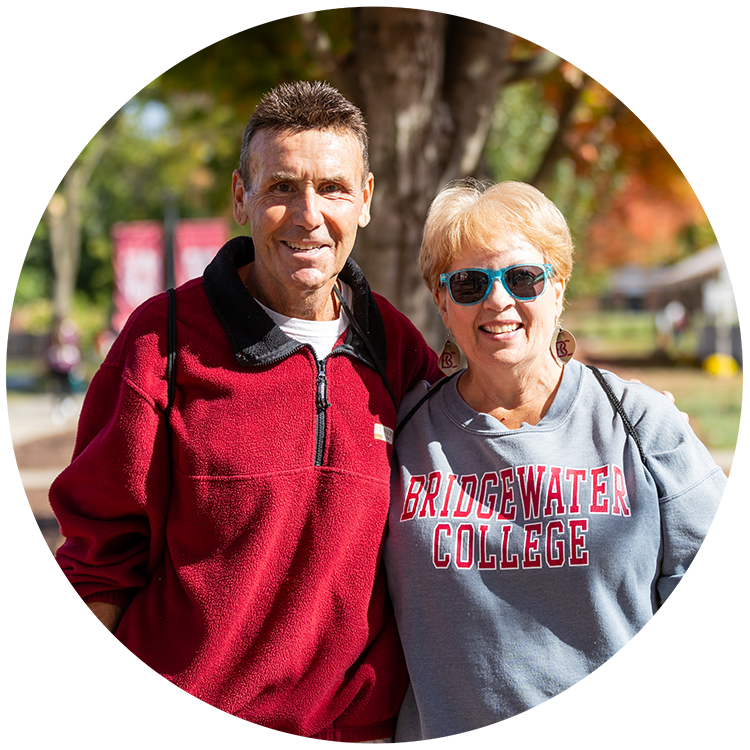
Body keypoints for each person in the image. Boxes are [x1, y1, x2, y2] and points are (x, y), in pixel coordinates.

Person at [48, 81, 441, 744]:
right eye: (282, 186)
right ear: (241, 196)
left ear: (366, 200)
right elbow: (98, 550)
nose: (308, 214)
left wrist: (604, 407)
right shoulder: (161, 341)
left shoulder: (395, 346)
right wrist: (84, 721)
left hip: (359, 734)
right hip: (187, 734)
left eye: (333, 189)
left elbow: (487, 446)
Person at [385, 180, 744, 743]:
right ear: (442, 302)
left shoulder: (640, 423)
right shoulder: (402, 435)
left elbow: (717, 607)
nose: (498, 300)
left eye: (523, 278)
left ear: (558, 289)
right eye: (471, 283)